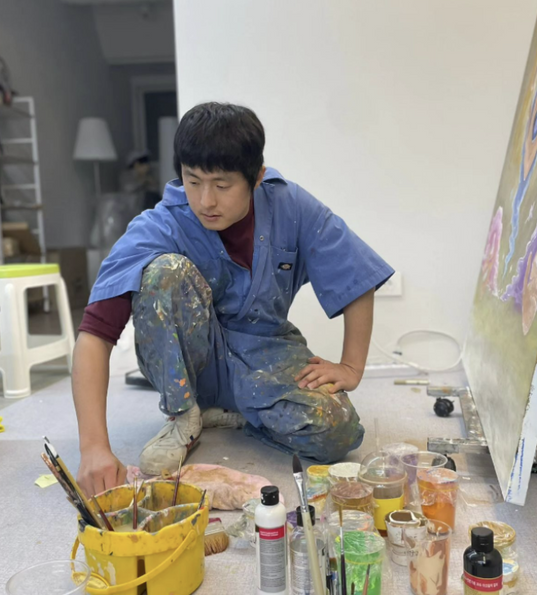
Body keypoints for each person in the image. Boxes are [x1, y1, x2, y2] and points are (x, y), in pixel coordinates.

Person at [74, 102, 394, 497]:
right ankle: (185, 416)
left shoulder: (291, 206)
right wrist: (93, 448)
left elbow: (356, 273)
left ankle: (237, 414)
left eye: (222, 185)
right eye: (193, 181)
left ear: (256, 177)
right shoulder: (160, 224)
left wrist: (351, 366)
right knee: (162, 272)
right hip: (192, 368)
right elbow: (95, 333)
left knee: (338, 432)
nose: (205, 201)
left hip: (265, 351)